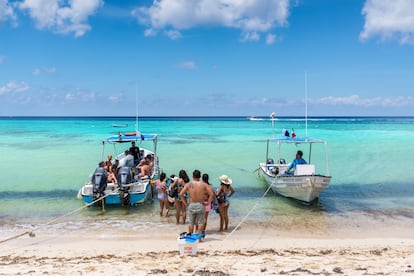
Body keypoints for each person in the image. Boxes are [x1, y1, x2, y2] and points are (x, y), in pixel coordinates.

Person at [180, 169, 214, 238]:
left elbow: (181, 194)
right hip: (201, 204)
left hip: (191, 204)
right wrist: (208, 203)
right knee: (200, 223)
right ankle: (198, 239)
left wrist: (185, 203)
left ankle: (191, 237)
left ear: (192, 176)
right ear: (200, 176)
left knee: (191, 223)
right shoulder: (203, 184)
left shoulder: (188, 184)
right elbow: (211, 194)